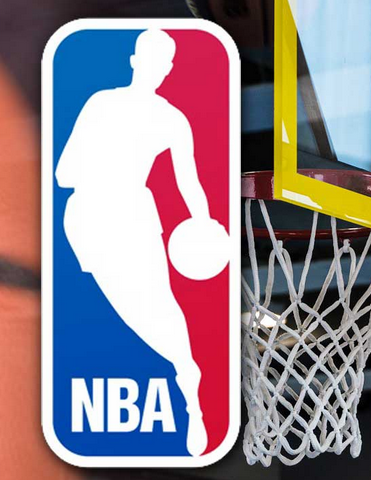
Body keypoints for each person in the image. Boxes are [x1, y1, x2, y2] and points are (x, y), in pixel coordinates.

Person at [55, 29, 212, 457]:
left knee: (157, 302)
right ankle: (184, 371)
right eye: (154, 59)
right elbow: (64, 174)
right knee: (134, 307)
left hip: (124, 213)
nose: (157, 68)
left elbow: (189, 183)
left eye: (162, 61)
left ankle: (189, 384)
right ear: (139, 61)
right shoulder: (112, 106)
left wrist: (203, 224)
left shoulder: (160, 116)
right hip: (92, 216)